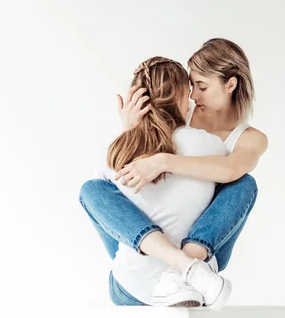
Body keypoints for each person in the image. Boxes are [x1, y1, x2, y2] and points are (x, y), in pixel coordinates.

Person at [79, 38, 268, 309]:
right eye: (191, 87)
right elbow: (124, 179)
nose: (192, 97)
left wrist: (164, 161)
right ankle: (186, 268)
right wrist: (130, 127)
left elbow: (230, 169)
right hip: (159, 252)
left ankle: (181, 268)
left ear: (231, 84)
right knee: (97, 190)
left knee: (243, 183)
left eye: (202, 87)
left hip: (204, 243)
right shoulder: (185, 115)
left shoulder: (249, 138)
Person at [95, 56, 232, 308]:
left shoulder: (117, 154)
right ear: (181, 95)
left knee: (94, 191)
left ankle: (176, 267)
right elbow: (232, 172)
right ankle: (187, 266)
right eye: (189, 92)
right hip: (197, 285)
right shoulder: (209, 145)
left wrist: (129, 132)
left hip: (131, 288)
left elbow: (110, 218)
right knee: (239, 184)